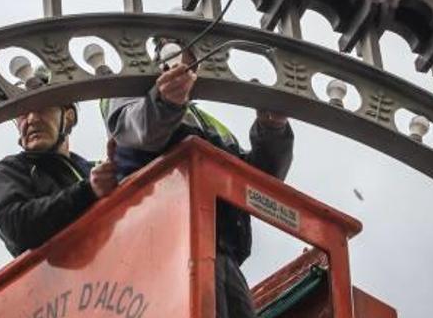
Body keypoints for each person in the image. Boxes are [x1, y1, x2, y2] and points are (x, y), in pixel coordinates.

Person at [101, 43, 294, 318]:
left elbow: (260, 180)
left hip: (222, 252)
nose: (188, 60)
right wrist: (165, 103)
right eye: (178, 48)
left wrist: (272, 130)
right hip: (164, 246)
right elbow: (141, 131)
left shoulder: (209, 124)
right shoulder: (127, 95)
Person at [0, 103, 119, 257]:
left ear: (68, 118)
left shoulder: (93, 171)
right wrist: (87, 191)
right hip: (65, 277)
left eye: (42, 107)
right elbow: (17, 225)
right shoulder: (9, 171)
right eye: (22, 114)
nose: (32, 119)